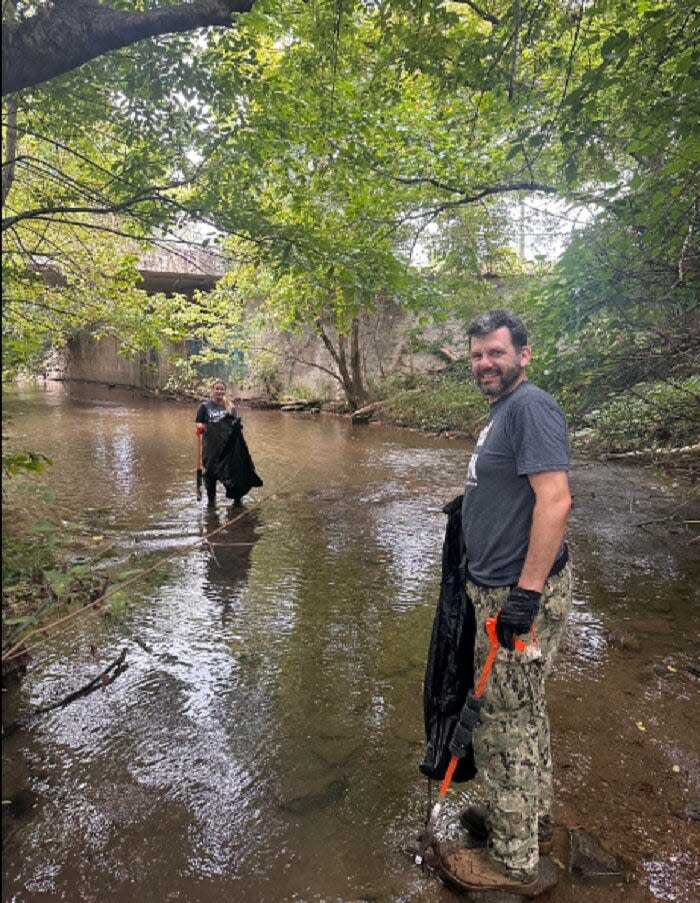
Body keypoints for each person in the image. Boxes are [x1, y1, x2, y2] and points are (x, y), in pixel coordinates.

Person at [440, 309, 572, 895]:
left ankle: (513, 864)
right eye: (476, 355)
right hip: (495, 584)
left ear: (523, 354)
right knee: (525, 711)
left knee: (501, 724)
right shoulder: (503, 413)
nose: (484, 364)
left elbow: (555, 502)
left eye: (495, 353)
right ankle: (530, 822)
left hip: (514, 596)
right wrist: (468, 505)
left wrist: (525, 596)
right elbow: (510, 487)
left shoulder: (531, 407)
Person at [195, 378, 239, 506]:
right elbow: (199, 421)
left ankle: (236, 501)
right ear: (212, 390)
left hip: (227, 448)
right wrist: (200, 427)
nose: (219, 391)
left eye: (222, 389)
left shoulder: (230, 407)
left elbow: (235, 425)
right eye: (217, 389)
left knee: (231, 474)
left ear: (225, 390)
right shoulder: (205, 406)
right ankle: (211, 502)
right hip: (211, 448)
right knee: (210, 475)